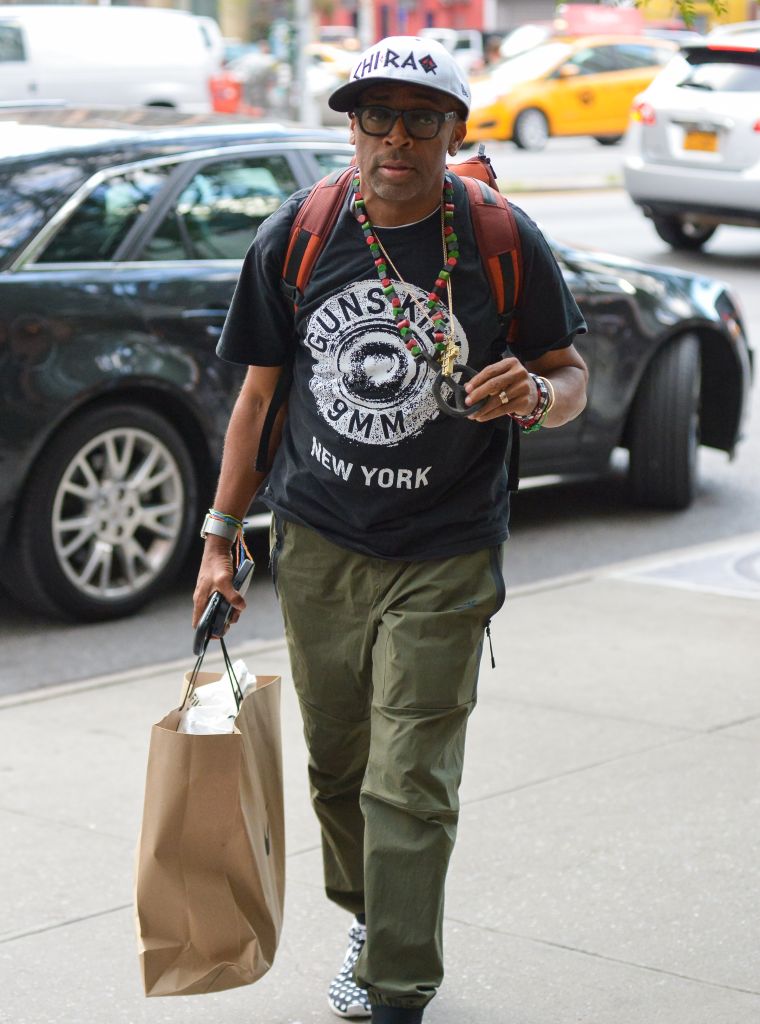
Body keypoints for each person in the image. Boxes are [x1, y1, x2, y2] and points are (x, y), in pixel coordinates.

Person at [192, 35, 589, 1024]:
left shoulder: (500, 236)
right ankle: (372, 914)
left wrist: (538, 393)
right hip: (322, 537)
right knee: (338, 761)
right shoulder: (301, 231)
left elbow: (571, 373)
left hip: (448, 544)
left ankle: (396, 982)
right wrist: (219, 534)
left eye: (420, 118)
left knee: (409, 774)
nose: (396, 138)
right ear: (352, 127)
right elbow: (255, 400)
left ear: (454, 131)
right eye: (376, 116)